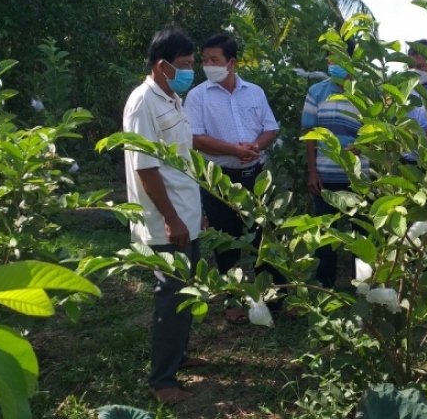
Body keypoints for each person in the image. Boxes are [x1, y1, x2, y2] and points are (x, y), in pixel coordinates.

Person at [123, 27, 207, 403]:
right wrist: (172, 218)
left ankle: (177, 357)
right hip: (165, 219)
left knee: (186, 292)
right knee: (171, 297)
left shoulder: (173, 99)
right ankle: (162, 381)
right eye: (186, 65)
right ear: (162, 65)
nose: (192, 72)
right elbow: (146, 168)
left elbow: (183, 163)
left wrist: (196, 213)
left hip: (186, 214)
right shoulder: (144, 102)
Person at [183, 34, 284, 324]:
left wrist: (255, 148)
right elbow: (196, 138)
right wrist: (234, 150)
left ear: (232, 62)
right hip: (220, 178)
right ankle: (234, 300)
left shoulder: (254, 92)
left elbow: (270, 128)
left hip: (257, 174)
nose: (207, 65)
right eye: (205, 60)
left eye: (214, 60)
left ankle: (275, 295)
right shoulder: (198, 95)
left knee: (267, 235)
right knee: (227, 240)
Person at [301, 39, 368, 287]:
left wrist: (363, 146)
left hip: (360, 178)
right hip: (326, 176)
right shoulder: (317, 91)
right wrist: (312, 171)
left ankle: (363, 287)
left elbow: (379, 129)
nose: (331, 62)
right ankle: (325, 285)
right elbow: (310, 132)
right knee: (326, 235)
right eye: (328, 57)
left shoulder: (367, 91)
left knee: (362, 234)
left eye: (336, 56)